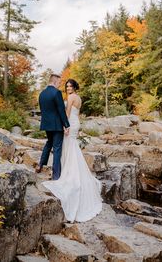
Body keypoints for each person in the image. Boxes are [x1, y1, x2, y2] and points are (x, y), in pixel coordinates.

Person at [42, 79, 102, 223]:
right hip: (76, 123)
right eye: (67, 86)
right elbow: (76, 113)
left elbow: (67, 113)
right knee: (72, 147)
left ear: (75, 87)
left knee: (68, 147)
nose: (68, 88)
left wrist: (64, 125)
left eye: (70, 86)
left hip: (70, 124)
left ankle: (69, 173)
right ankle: (72, 171)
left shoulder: (70, 97)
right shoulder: (79, 98)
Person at [36, 74, 70, 180]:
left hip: (46, 124)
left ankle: (40, 165)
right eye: (59, 83)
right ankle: (56, 175)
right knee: (57, 149)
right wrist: (66, 125)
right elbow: (61, 110)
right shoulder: (56, 93)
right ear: (54, 82)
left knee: (49, 143)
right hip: (56, 125)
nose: (60, 85)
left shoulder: (42, 94)